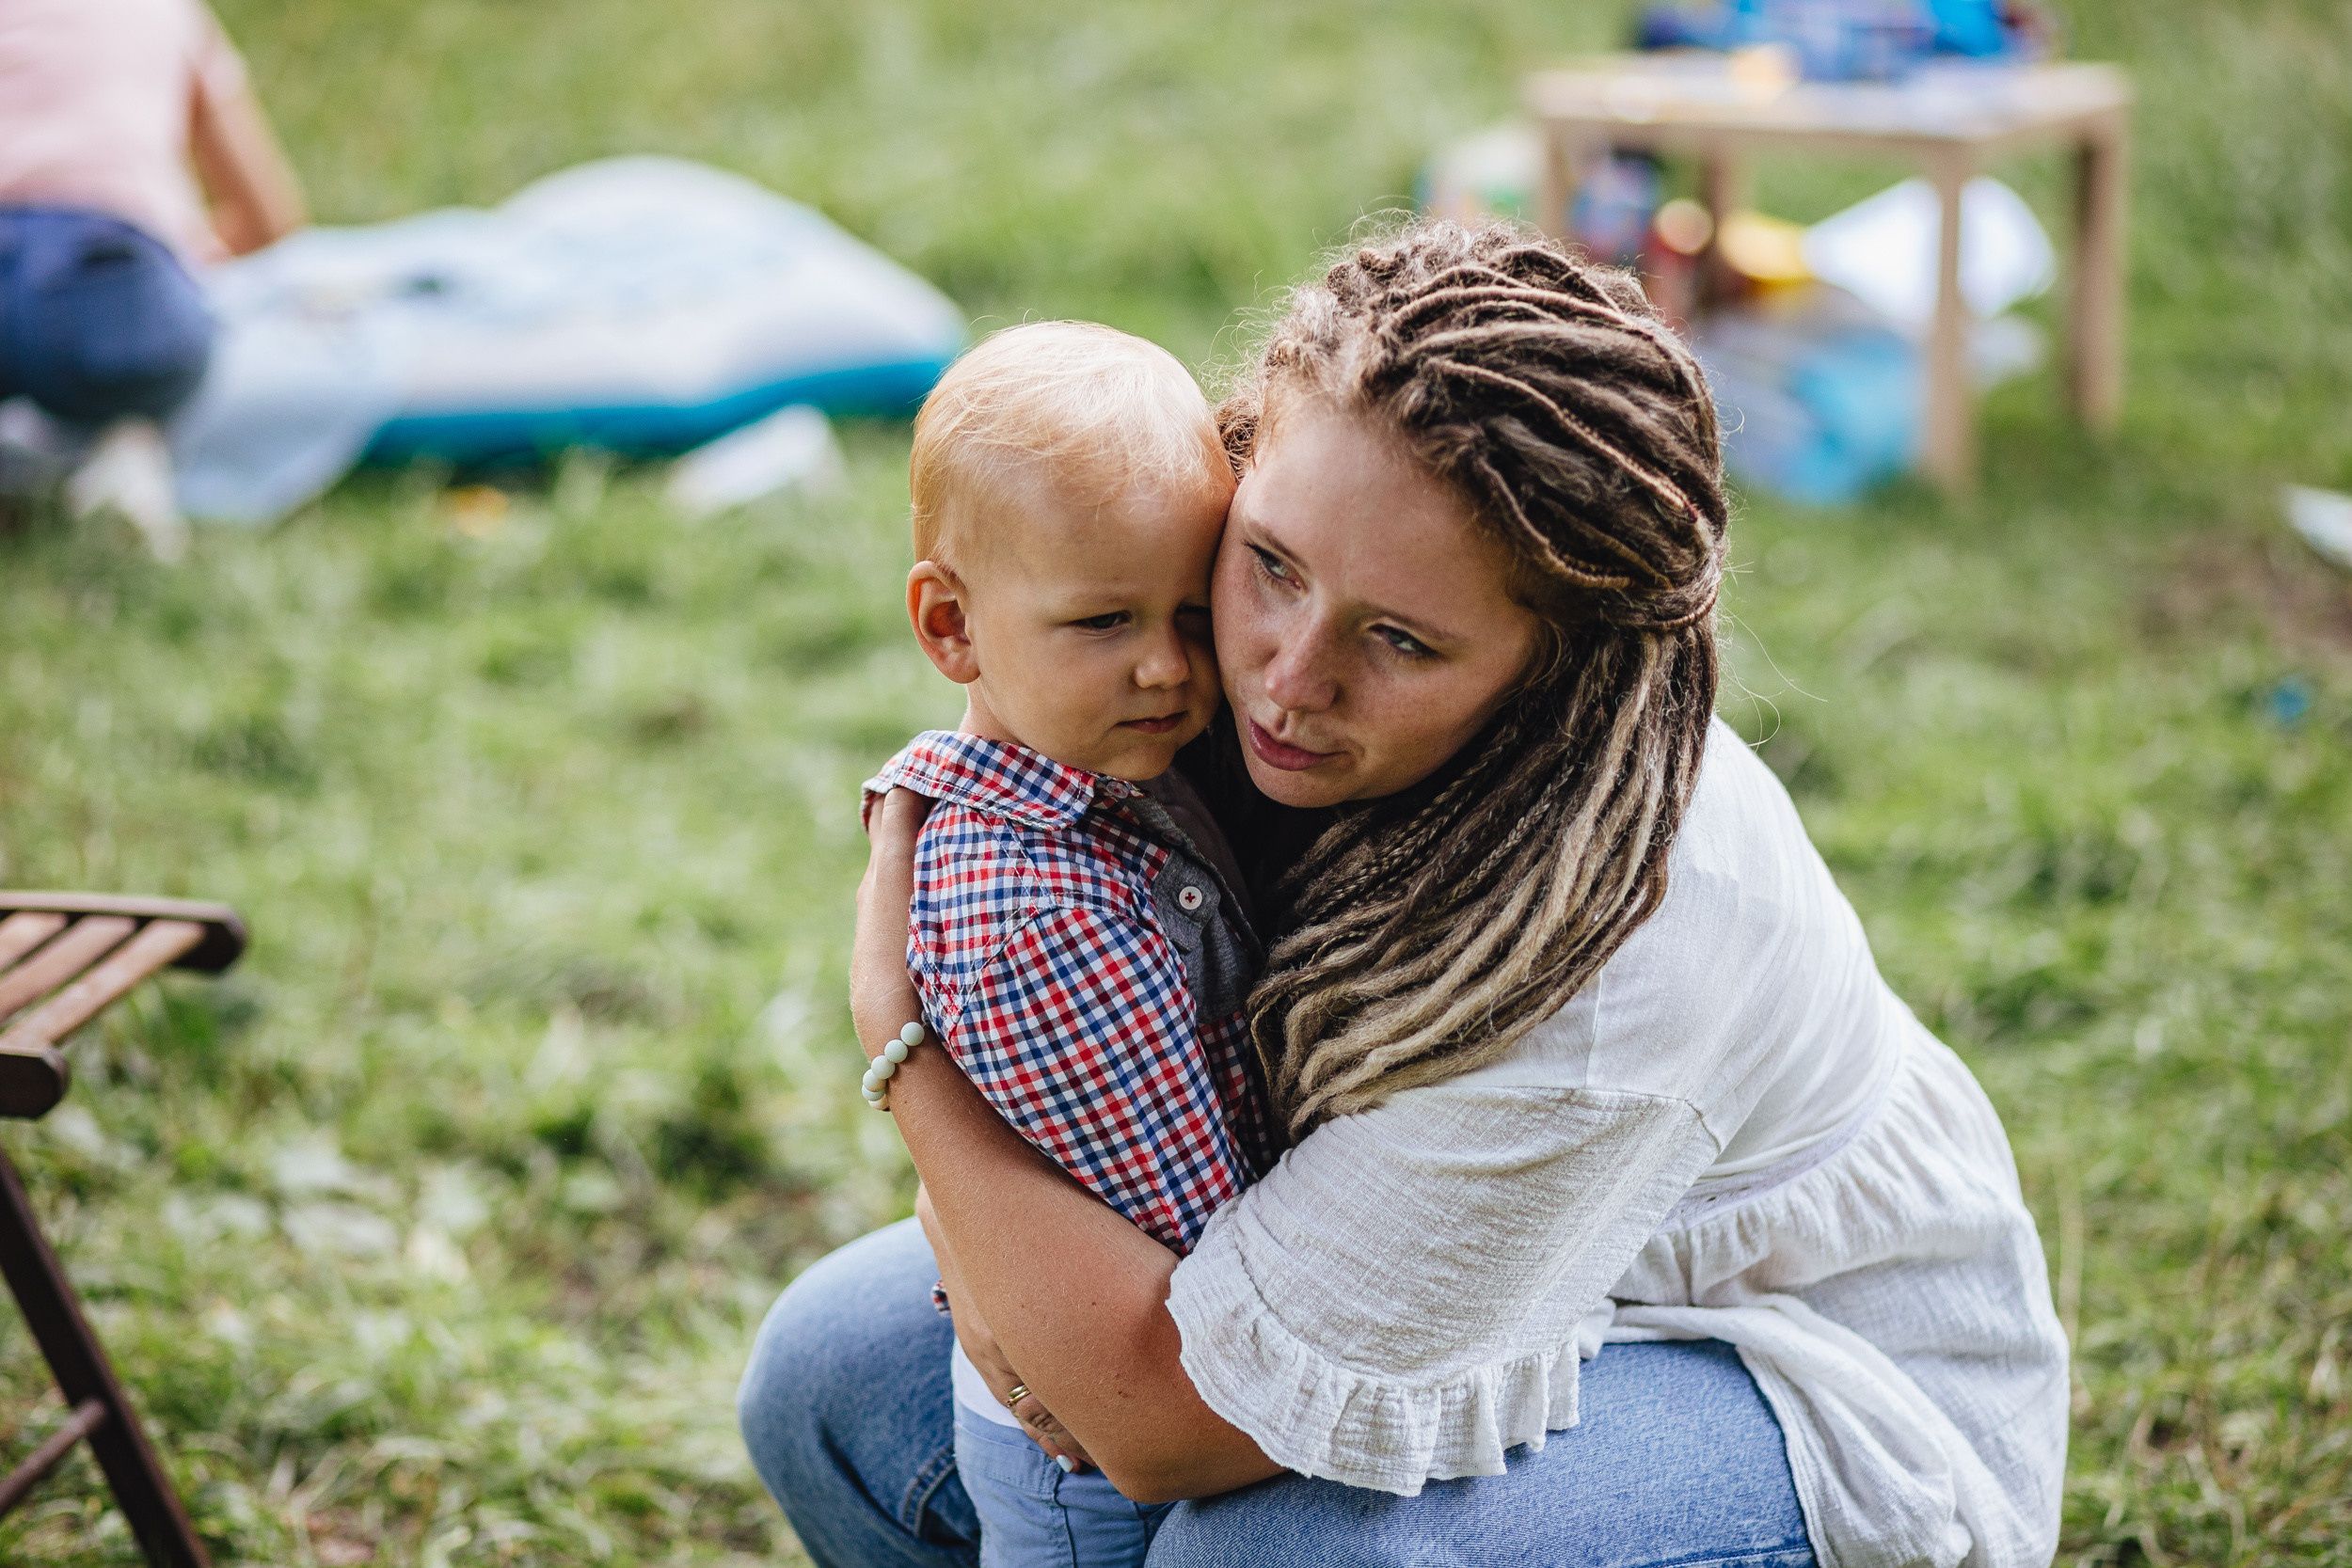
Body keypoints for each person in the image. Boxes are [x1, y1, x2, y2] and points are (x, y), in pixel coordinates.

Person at [739, 219, 2070, 1568]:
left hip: (1783, 1373)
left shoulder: (1605, 937)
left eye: (1401, 639)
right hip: (1487, 1272)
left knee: (1263, 1553)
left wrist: (903, 1046)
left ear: (1551, 665)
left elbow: (1166, 1423)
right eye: (1270, 564)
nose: (1284, 677)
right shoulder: (1194, 637)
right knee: (837, 1376)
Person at [861, 320, 1273, 1566]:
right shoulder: (1041, 914)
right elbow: (1198, 1237)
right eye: (1103, 622)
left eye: (1195, 613)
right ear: (951, 627)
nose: (1166, 667)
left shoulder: (1096, 765)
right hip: (1097, 1451)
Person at [0, 0, 306, 555]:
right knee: (138, 362)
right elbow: (269, 216)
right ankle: (123, 450)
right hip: (111, 278)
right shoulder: (167, 12)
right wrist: (188, 261)